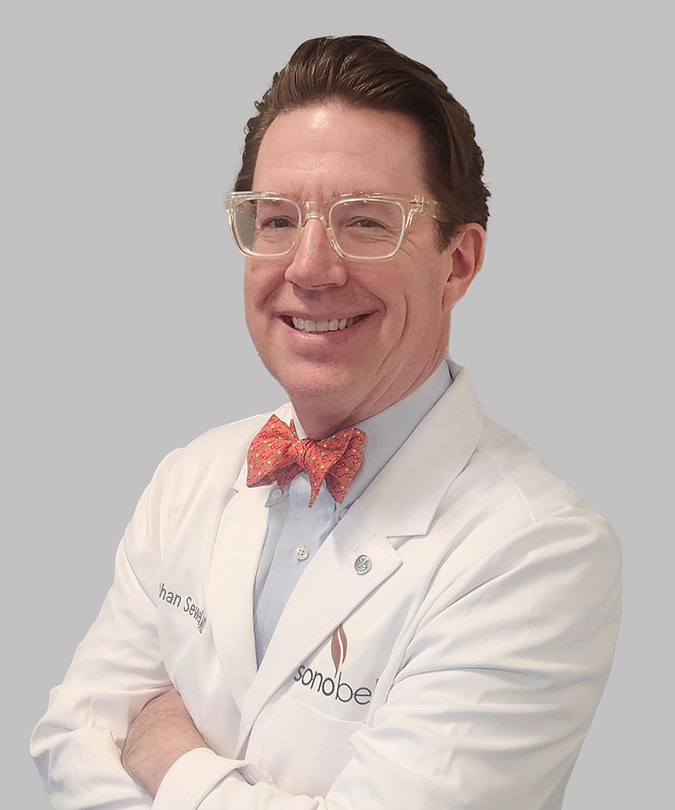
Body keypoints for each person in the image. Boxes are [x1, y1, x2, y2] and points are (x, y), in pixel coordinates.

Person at [31, 35, 621, 810]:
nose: (309, 268)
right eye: (276, 220)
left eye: (366, 222)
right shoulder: (191, 477)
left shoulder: (537, 552)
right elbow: (66, 741)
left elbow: (119, 747)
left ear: (458, 262)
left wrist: (166, 751)